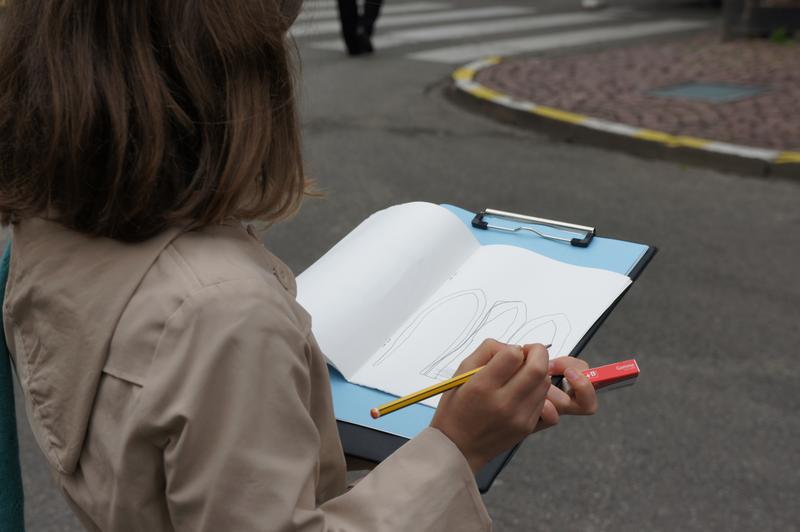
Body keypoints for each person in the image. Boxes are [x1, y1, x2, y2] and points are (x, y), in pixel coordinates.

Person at [0, 1, 599, 530]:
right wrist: (459, 446)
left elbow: (180, 462)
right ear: (232, 80)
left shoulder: (44, 230)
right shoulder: (222, 311)